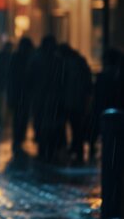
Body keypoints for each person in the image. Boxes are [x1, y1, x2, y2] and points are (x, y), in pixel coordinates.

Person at [27, 35, 65, 163]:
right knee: (51, 124)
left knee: (43, 123)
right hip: (51, 98)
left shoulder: (37, 60)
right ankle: (50, 148)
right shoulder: (57, 61)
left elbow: (30, 79)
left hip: (42, 98)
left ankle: (45, 148)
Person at [59, 44, 92, 164]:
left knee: (74, 126)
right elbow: (87, 82)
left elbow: (62, 83)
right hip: (78, 100)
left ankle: (75, 149)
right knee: (77, 126)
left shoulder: (64, 63)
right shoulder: (80, 62)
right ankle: (78, 150)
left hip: (70, 101)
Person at [7, 38, 34, 159]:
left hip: (20, 94)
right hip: (21, 94)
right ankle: (18, 140)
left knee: (20, 118)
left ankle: (18, 140)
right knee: (20, 118)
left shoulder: (17, 58)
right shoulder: (23, 58)